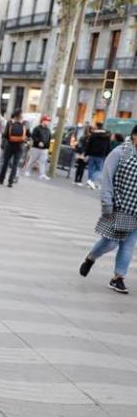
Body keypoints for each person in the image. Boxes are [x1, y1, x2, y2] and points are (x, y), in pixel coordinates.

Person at [79, 125, 137, 295]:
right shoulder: (120, 152)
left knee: (128, 245)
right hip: (118, 206)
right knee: (110, 242)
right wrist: (106, 202)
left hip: (135, 209)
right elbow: (107, 178)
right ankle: (91, 257)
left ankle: (118, 278)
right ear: (134, 135)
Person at [0, 109, 27, 187]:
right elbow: (28, 134)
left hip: (10, 145)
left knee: (5, 162)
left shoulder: (10, 122)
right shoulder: (24, 123)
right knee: (15, 164)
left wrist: (5, 143)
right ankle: (10, 181)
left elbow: (6, 134)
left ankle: (1, 179)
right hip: (19, 146)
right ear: (20, 115)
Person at [23, 115, 52, 179]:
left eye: (49, 121)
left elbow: (49, 138)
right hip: (36, 147)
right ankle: (26, 170)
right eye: (47, 121)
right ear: (43, 121)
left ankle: (42, 174)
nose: (48, 122)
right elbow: (33, 136)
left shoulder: (48, 130)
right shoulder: (37, 128)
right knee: (32, 159)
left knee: (43, 161)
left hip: (45, 149)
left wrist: (47, 147)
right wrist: (38, 142)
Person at [84, 122, 112, 189]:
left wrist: (86, 153)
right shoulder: (107, 136)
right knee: (99, 169)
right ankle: (91, 181)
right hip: (101, 155)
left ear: (97, 126)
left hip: (92, 154)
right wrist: (107, 155)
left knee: (91, 168)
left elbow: (89, 145)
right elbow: (108, 146)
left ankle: (90, 181)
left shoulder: (93, 134)